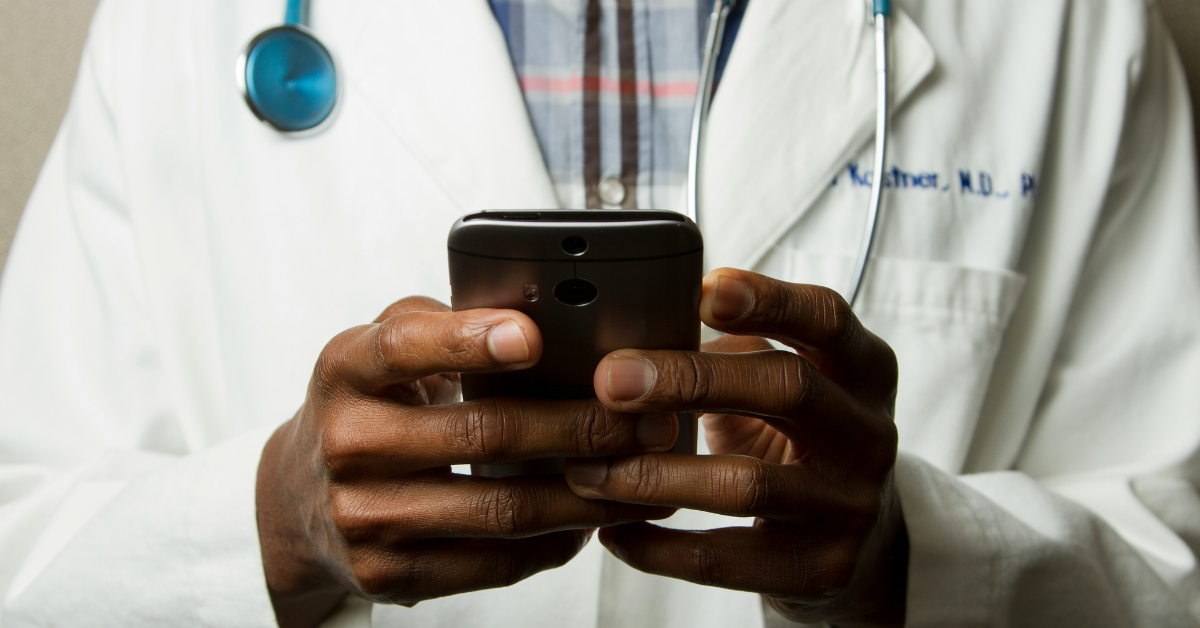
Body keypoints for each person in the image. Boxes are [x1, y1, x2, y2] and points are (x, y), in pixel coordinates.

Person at [1, 0, 1199, 626]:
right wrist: (271, 531)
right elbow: (24, 555)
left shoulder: (1069, 23)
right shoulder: (177, 21)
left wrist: (911, 566)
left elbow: (1177, 558)